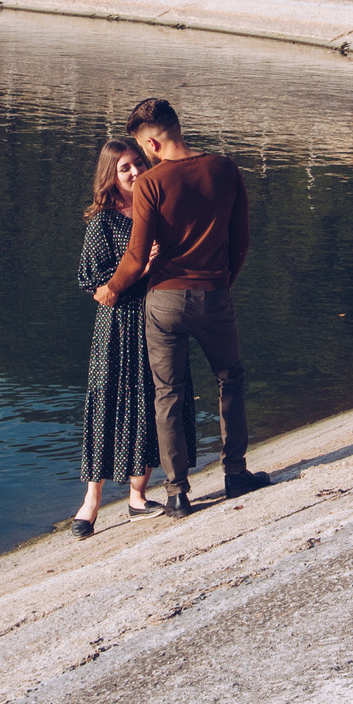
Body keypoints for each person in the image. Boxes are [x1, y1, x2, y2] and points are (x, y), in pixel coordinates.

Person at [95, 97, 272, 514]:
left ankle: (177, 494)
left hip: (164, 302)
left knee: (168, 394)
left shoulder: (151, 185)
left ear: (152, 145)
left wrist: (112, 289)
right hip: (213, 294)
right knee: (230, 380)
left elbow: (137, 258)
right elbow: (241, 240)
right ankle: (235, 474)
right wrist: (223, 282)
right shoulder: (225, 169)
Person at [66, 140, 161, 538]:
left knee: (150, 399)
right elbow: (94, 285)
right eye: (125, 168)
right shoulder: (103, 222)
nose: (136, 172)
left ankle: (138, 496)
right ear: (111, 176)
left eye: (139, 163)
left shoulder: (155, 209)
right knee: (106, 401)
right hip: (116, 324)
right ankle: (91, 502)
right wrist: (140, 268)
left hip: (156, 317)